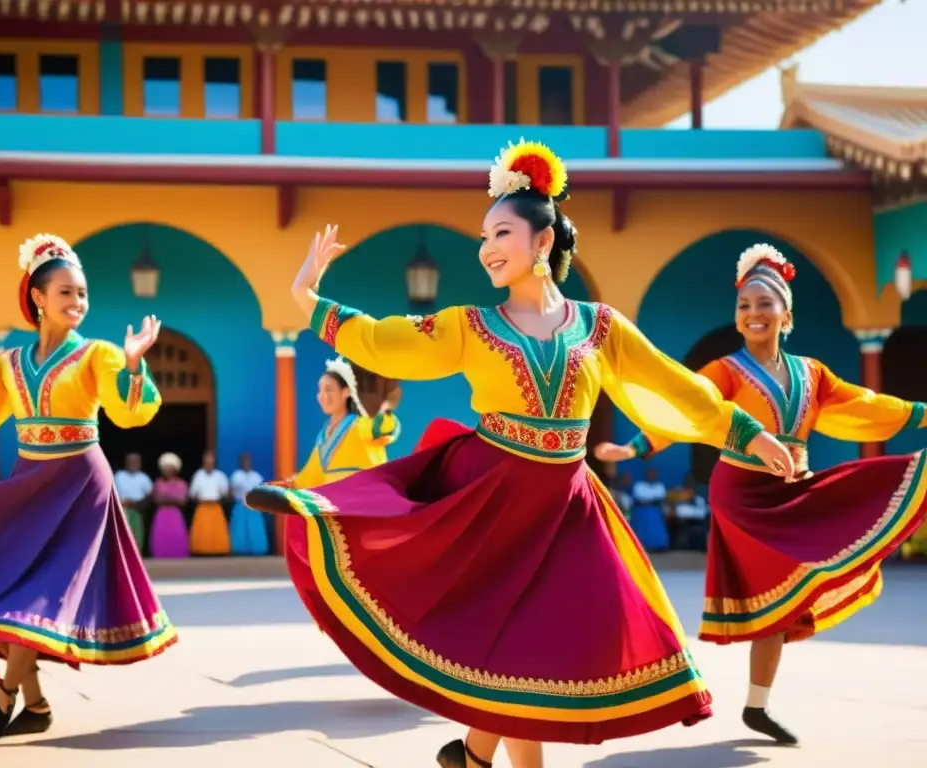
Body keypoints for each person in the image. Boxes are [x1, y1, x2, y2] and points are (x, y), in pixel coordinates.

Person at [246, 140, 796, 768]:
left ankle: (474, 758)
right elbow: (384, 341)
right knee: (509, 651)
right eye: (483, 236)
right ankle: (314, 507)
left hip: (567, 508)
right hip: (492, 499)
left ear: (542, 241)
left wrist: (751, 434)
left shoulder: (602, 327)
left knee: (541, 648)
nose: (485, 248)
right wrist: (308, 298)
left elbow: (678, 387)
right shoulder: (469, 326)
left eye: (500, 232)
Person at [595, 242, 927, 746]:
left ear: (784, 312)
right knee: (783, 584)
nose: (754, 313)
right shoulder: (726, 372)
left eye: (764, 304)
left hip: (793, 488)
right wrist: (635, 446)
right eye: (744, 306)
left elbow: (864, 405)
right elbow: (689, 407)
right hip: (743, 492)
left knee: (782, 608)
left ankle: (756, 707)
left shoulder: (812, 373)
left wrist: (920, 412)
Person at [0, 233, 175, 741]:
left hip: (78, 485)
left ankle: (7, 689)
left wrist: (134, 362)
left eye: (83, 293)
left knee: (38, 591)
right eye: (67, 292)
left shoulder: (99, 355)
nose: (78, 302)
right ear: (39, 298)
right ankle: (36, 702)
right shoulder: (8, 366)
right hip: (29, 482)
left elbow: (130, 411)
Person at [284, 356, 401, 490]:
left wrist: (385, 409)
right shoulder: (324, 435)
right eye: (320, 390)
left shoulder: (360, 426)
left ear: (346, 392)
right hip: (337, 505)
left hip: (365, 501)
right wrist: (290, 487)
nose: (322, 395)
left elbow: (383, 429)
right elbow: (311, 475)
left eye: (328, 389)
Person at [188, 450, 230, 555]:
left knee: (217, 531)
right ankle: (201, 551)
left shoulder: (220, 476)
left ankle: (218, 551)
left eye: (211, 461)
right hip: (203, 506)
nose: (209, 463)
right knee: (203, 530)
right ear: (203, 462)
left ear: (214, 462)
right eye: (207, 461)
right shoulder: (198, 475)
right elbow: (192, 494)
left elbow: (225, 493)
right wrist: (200, 500)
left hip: (216, 506)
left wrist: (221, 499)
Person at [150, 452, 191, 559]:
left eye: (169, 468)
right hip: (162, 514)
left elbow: (182, 501)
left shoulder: (182, 484)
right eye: (165, 468)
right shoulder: (158, 482)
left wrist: (167, 498)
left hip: (175, 514)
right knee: (161, 536)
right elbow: (157, 500)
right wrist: (173, 499)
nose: (167, 471)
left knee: (176, 535)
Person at [229, 452, 270, 555]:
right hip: (240, 505)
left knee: (254, 527)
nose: (246, 462)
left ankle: (257, 549)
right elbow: (231, 492)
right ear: (240, 462)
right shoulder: (236, 476)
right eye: (244, 460)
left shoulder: (256, 476)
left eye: (248, 460)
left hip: (253, 506)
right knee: (239, 527)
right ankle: (238, 549)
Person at [114, 452, 153, 552]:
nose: (133, 463)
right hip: (121, 510)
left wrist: (134, 504)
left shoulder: (144, 478)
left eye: (136, 461)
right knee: (120, 537)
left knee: (137, 536)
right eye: (131, 461)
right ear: (126, 462)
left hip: (138, 510)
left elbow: (150, 497)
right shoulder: (118, 476)